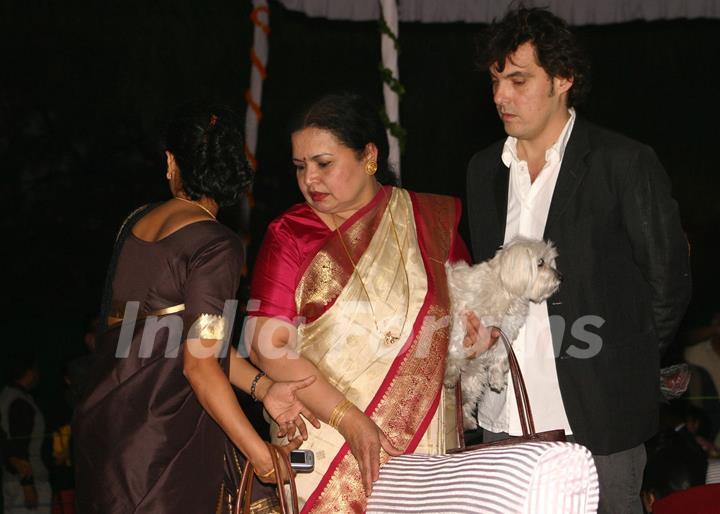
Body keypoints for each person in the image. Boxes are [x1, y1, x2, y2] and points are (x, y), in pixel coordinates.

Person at [465, 7, 691, 514]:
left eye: (518, 80)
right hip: (503, 419)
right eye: (496, 81)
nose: (501, 96)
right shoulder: (484, 172)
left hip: (600, 421)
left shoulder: (623, 163)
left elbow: (668, 284)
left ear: (564, 78)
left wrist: (619, 363)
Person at [73, 104, 319, 513]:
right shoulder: (215, 244)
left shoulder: (134, 223)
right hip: (161, 442)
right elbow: (198, 364)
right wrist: (259, 455)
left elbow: (187, 341)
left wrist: (263, 389)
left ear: (171, 162)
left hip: (108, 432)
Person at [246, 92, 470, 512]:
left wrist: (479, 331)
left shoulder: (429, 222)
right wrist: (348, 419)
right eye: (300, 167)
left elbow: (470, 314)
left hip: (421, 440)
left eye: (324, 164)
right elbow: (266, 345)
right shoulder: (290, 234)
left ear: (369, 156)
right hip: (326, 443)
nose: (310, 179)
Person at [1, 353, 50, 514]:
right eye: (35, 370)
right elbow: (19, 444)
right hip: (27, 483)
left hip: (13, 481)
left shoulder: (6, 396)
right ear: (28, 372)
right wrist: (27, 484)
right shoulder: (19, 402)